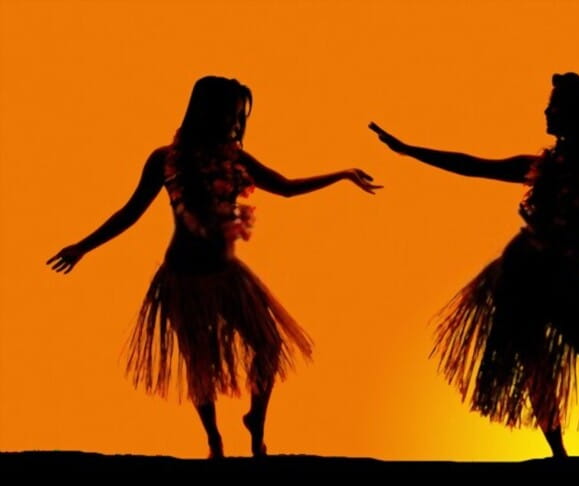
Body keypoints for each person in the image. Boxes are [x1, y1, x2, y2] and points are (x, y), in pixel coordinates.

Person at [47, 75, 382, 458]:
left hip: (228, 276)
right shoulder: (165, 159)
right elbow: (130, 212)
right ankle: (214, 441)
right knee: (199, 360)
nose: (236, 124)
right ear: (208, 113)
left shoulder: (234, 159)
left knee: (267, 345)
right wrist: (83, 247)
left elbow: (285, 186)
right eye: (232, 115)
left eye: (240, 117)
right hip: (182, 278)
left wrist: (340, 175)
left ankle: (256, 422)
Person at [369, 72, 579, 458]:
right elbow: (475, 166)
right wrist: (410, 150)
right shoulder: (547, 164)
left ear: (576, 114)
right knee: (535, 362)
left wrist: (571, 237)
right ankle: (558, 453)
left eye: (554, 106)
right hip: (519, 274)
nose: (546, 112)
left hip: (565, 278)